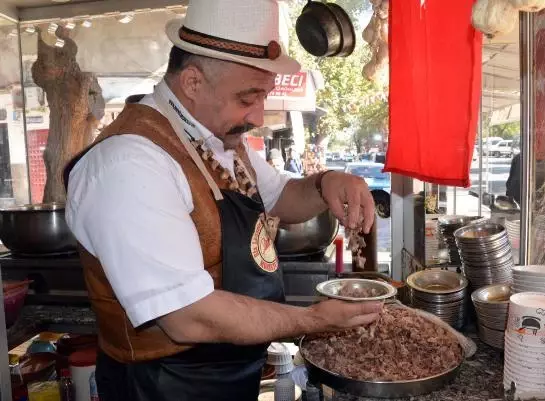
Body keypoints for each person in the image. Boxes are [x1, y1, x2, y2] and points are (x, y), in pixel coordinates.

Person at [63, 1, 380, 400]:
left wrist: (325, 183)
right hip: (164, 385)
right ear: (193, 82)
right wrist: (314, 319)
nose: (259, 116)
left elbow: (281, 194)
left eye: (263, 97)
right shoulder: (130, 164)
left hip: (230, 375)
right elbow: (188, 317)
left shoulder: (216, 137)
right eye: (247, 99)